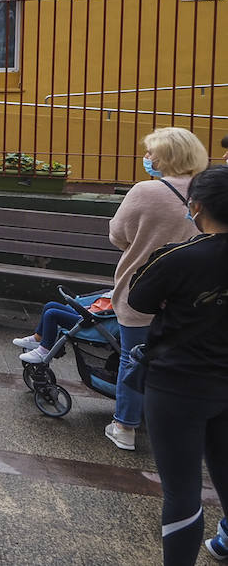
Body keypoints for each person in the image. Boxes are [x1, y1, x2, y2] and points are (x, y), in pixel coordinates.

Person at [126, 166, 228, 565]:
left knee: (183, 489)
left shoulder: (179, 256)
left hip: (178, 383)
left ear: (196, 206)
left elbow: (140, 300)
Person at [106, 126, 208, 451]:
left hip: (140, 288)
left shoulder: (144, 191)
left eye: (151, 153)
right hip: (191, 294)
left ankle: (125, 426)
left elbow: (117, 235)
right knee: (182, 359)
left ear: (165, 156)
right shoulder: (208, 190)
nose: (146, 158)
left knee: (132, 356)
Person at [13, 294, 112, 363]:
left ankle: (45, 350)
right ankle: (38, 338)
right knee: (50, 305)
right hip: (89, 313)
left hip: (92, 322)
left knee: (52, 314)